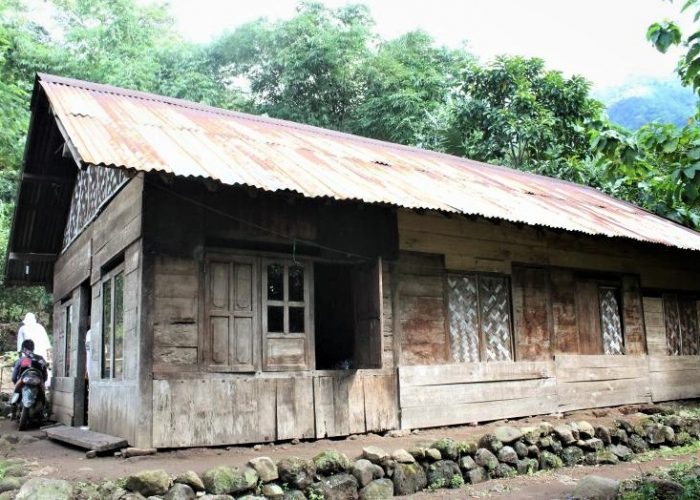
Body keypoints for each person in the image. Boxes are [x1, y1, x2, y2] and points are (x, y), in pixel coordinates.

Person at [11, 339, 48, 405]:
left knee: (16, 393)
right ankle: (45, 406)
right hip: (38, 380)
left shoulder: (20, 360)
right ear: (33, 348)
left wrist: (16, 383)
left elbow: (14, 377)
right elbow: (45, 373)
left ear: (24, 349)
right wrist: (43, 381)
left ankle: (12, 408)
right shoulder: (40, 358)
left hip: (23, 380)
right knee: (43, 394)